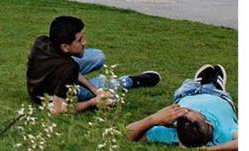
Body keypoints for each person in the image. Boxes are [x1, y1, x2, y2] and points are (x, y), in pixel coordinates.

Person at [26, 15, 159, 114]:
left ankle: (96, 87)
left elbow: (70, 70)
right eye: (79, 40)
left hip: (39, 85)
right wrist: (92, 102)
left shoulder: (42, 41)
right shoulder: (68, 68)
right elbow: (57, 109)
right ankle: (132, 81)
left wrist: (94, 90)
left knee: (97, 56)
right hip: (48, 96)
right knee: (107, 86)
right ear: (65, 47)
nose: (84, 42)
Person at [125, 65, 236, 148]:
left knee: (186, 86)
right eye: (190, 110)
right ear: (209, 124)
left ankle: (197, 82)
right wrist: (212, 150)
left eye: (183, 112)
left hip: (185, 96)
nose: (184, 110)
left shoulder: (171, 133)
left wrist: (153, 119)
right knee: (211, 84)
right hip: (216, 95)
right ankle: (214, 83)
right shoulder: (226, 132)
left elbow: (124, 136)